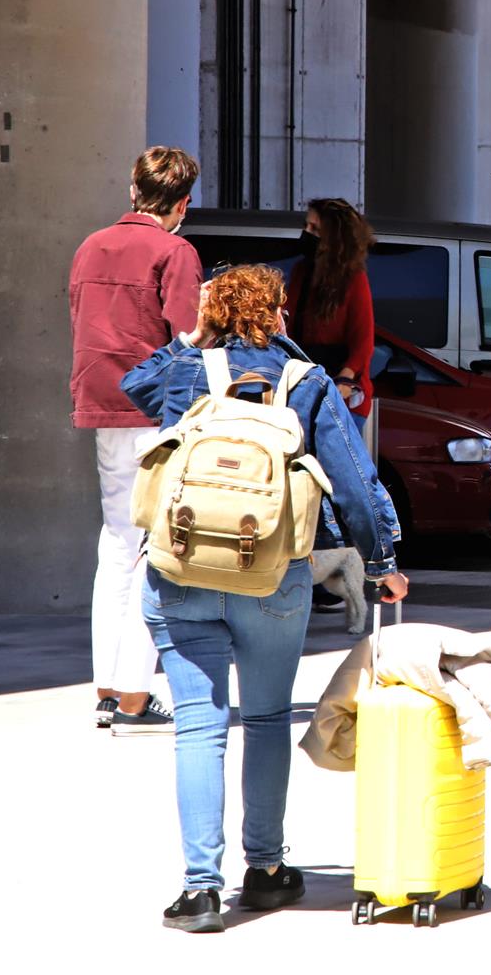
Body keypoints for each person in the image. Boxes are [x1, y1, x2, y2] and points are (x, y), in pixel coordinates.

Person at [123, 265, 408, 933]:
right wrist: (382, 563)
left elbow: (130, 386)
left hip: (184, 570)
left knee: (200, 723)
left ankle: (199, 889)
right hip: (274, 576)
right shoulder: (303, 381)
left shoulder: (187, 368)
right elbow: (356, 484)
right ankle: (266, 868)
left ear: (212, 312)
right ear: (278, 313)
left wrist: (188, 339)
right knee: (270, 715)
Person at [68, 146, 205, 734]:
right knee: (154, 548)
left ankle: (108, 687)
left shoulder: (90, 246)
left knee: (117, 544)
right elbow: (190, 337)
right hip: (155, 412)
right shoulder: (176, 250)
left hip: (100, 404)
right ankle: (132, 695)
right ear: (181, 204)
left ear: (132, 191)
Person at [285, 197, 376, 419]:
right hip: (305, 386)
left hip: (340, 392)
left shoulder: (353, 278)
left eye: (314, 228)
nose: (306, 232)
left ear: (332, 238)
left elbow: (363, 342)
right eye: (306, 225)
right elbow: (288, 326)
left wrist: (344, 380)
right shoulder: (301, 272)